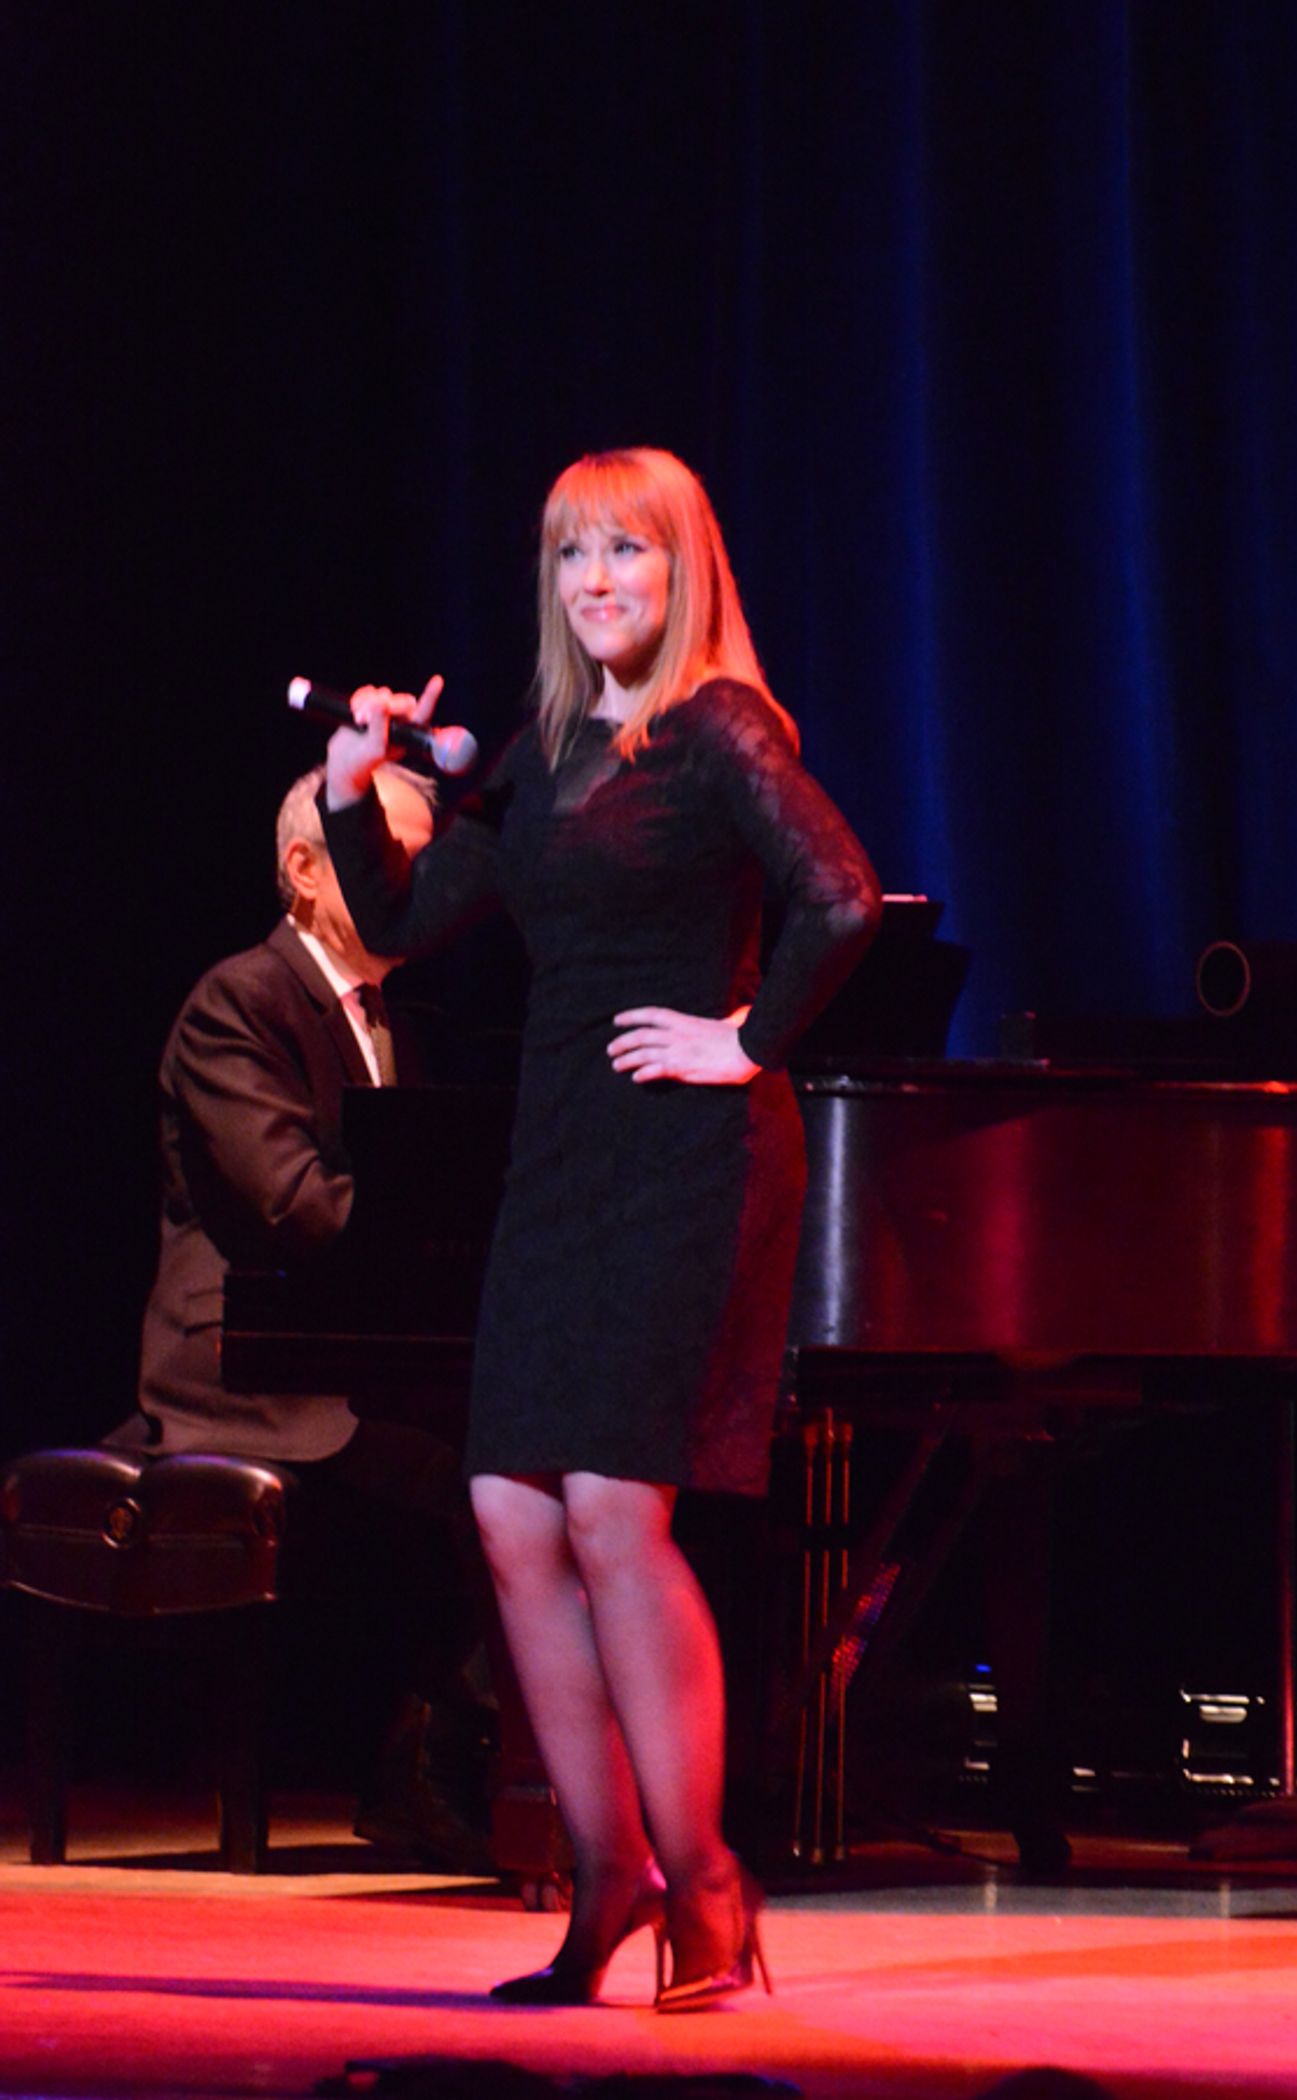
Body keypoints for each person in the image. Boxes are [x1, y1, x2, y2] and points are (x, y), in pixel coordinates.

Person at [319, 445, 883, 2008]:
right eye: (574, 560)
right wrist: (350, 798)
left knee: (616, 1515)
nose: (598, 586)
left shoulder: (718, 729)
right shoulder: (556, 742)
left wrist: (750, 1041)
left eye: (627, 555)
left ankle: (707, 1882)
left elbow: (841, 893)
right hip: (561, 1156)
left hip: (687, 1157)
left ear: (682, 571)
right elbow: (407, 921)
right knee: (510, 1515)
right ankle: (612, 1872)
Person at [109, 763, 494, 1872]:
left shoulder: (393, 1021)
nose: (417, 885)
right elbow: (294, 1206)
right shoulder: (238, 1001)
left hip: (349, 1362)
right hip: (239, 1374)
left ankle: (444, 1753)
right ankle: (431, 1765)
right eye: (394, 858)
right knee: (482, 1480)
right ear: (303, 868)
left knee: (540, 1452)